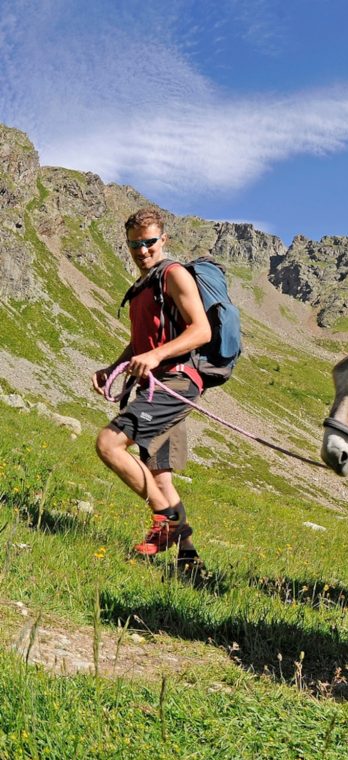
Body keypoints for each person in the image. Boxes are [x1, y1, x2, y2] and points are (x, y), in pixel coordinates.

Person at [92, 207, 210, 572]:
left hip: (175, 382)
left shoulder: (174, 276)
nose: (143, 251)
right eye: (135, 245)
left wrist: (157, 355)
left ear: (164, 240)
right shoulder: (144, 286)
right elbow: (140, 341)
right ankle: (190, 562)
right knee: (161, 476)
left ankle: (165, 523)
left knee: (108, 445)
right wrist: (115, 367)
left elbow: (201, 331)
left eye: (149, 243)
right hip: (155, 384)